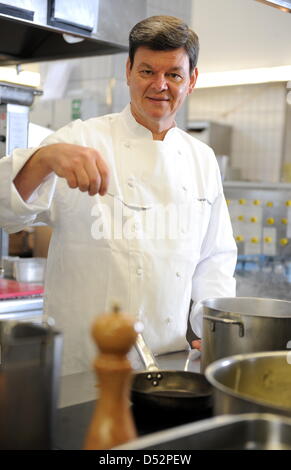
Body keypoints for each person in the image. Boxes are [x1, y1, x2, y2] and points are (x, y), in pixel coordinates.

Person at [0, 16, 237, 374]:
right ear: (128, 71)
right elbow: (6, 214)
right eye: (146, 71)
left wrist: (214, 327)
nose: (159, 85)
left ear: (192, 80)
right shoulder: (80, 139)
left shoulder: (201, 159)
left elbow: (214, 260)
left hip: (167, 363)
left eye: (173, 74)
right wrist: (44, 159)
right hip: (83, 366)